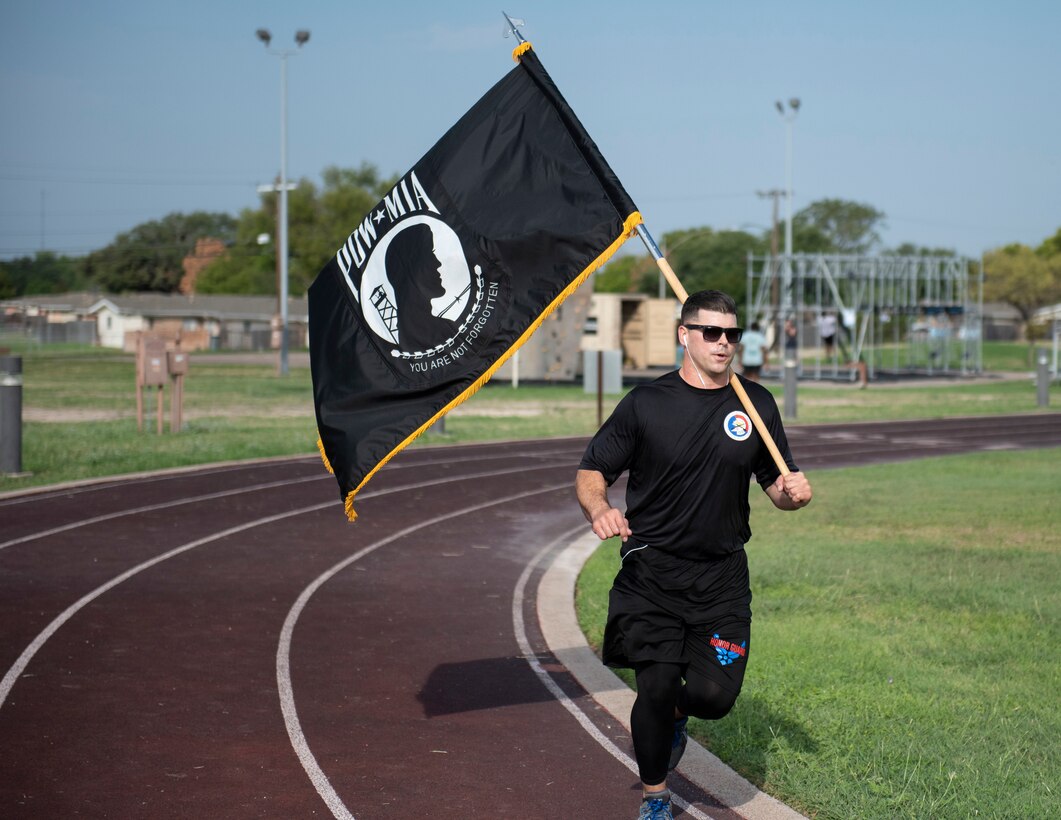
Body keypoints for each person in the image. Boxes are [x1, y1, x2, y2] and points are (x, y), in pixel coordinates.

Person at [575, 290, 813, 820]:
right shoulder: (645, 403)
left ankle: (678, 716)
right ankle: (656, 795)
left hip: (722, 579)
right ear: (684, 335)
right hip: (651, 571)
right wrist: (599, 510)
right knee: (655, 685)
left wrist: (792, 496)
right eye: (712, 333)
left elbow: (775, 484)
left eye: (732, 334)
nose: (724, 343)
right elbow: (592, 471)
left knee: (713, 698)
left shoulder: (756, 404)